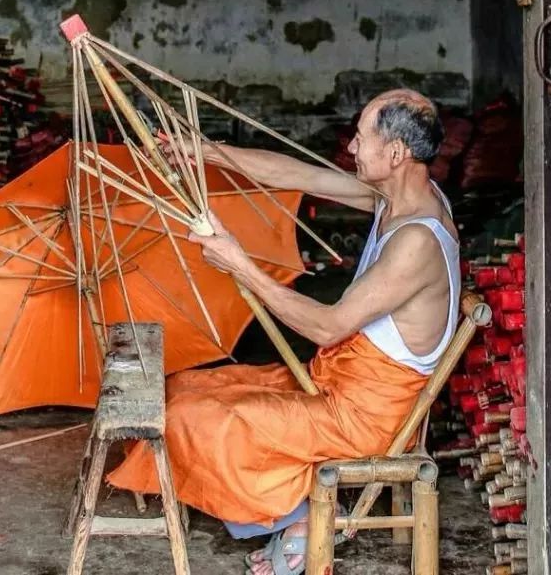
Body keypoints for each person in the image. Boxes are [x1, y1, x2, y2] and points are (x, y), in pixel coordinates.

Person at [105, 89, 460, 575]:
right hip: (337, 386)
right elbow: (297, 174)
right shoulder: (396, 193)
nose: (351, 148)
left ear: (395, 154)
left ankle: (307, 515)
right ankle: (294, 508)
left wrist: (239, 264)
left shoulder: (417, 239)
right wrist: (204, 151)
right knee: (184, 388)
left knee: (194, 419)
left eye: (360, 139)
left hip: (362, 418)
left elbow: (327, 325)